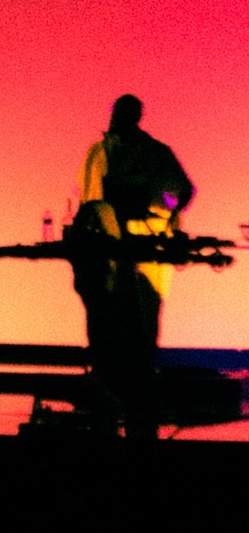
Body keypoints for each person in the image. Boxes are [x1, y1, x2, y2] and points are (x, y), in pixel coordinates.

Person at [75, 94, 194, 433]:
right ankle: (108, 396)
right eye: (116, 113)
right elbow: (87, 198)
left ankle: (140, 404)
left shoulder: (156, 153)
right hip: (104, 254)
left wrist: (161, 210)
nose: (118, 120)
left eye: (126, 114)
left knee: (141, 325)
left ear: (137, 117)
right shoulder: (98, 152)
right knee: (104, 324)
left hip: (145, 253)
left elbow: (183, 191)